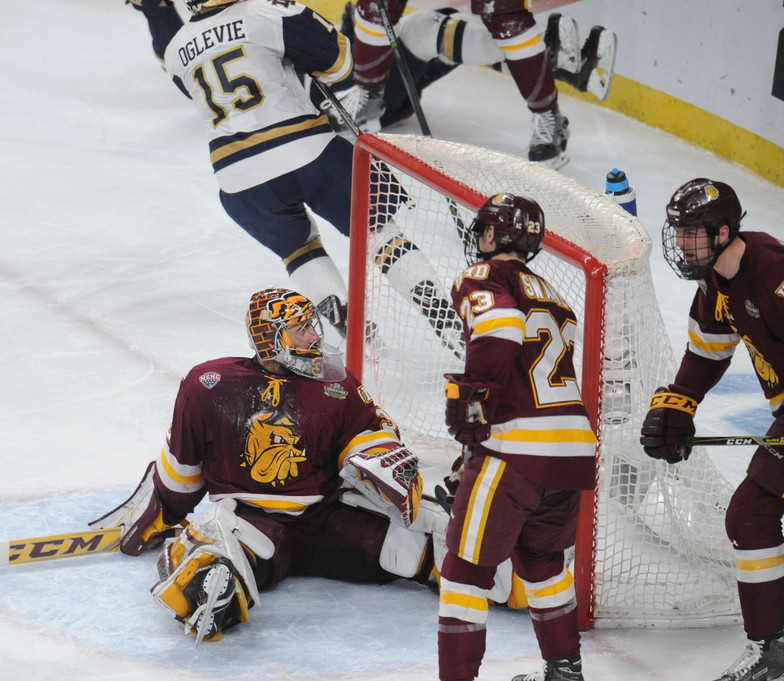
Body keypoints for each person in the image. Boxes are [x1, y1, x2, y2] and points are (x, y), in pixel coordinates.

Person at [90, 287, 452, 642]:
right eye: (300, 328)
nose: (314, 335)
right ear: (269, 338)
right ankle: (208, 585)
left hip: (326, 519)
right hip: (253, 521)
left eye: (313, 325)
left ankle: (496, 570)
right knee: (219, 549)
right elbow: (182, 470)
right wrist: (158, 515)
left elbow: (369, 431)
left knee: (427, 538)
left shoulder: (335, 383)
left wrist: (381, 456)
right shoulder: (209, 385)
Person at [155, 0, 461, 344]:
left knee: (300, 251)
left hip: (239, 180)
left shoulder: (176, 48)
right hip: (309, 153)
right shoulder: (265, 11)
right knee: (380, 233)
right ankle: (445, 322)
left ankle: (362, 342)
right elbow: (344, 65)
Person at [441, 194, 597, 681]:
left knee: (465, 568)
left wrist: (473, 400)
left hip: (516, 448)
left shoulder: (483, 277)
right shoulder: (553, 290)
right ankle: (564, 670)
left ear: (490, 236)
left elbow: (501, 327)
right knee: (543, 559)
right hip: (571, 447)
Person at [640, 178, 784, 681]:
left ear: (723, 232)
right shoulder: (718, 282)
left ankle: (774, 649)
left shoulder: (774, 273)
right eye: (677, 231)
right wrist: (679, 406)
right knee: (752, 516)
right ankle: (774, 646)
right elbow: (705, 352)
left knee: (750, 514)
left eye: (691, 233)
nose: (680, 243)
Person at [343, 0, 616, 168]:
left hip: (367, 77)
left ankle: (553, 65)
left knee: (426, 28)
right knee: (493, 13)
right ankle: (552, 73)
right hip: (383, 75)